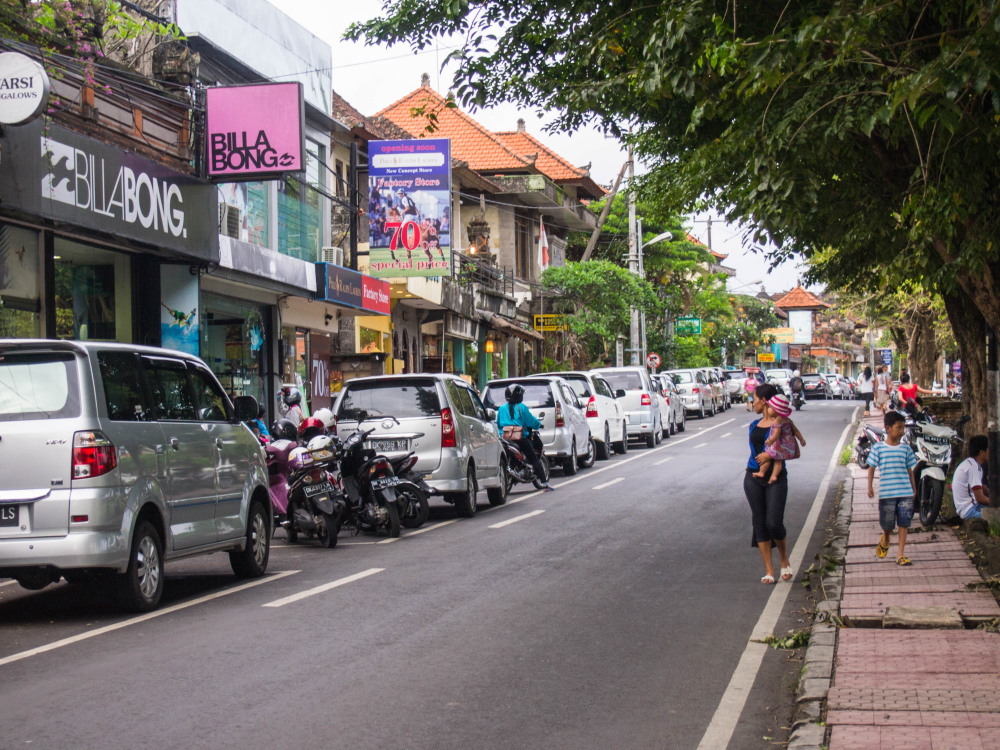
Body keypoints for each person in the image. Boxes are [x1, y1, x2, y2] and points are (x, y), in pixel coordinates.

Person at [744, 383, 793, 584]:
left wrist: (770, 458)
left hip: (775, 478)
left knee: (774, 522)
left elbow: (789, 447)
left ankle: (783, 559)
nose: (752, 402)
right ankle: (769, 570)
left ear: (764, 401)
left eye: (754, 398)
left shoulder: (781, 423)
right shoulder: (753, 425)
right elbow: (755, 449)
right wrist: (760, 460)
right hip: (753, 476)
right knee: (759, 522)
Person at [867, 410, 917, 565]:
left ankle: (900, 554)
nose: (902, 432)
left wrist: (913, 489)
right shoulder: (879, 448)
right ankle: (886, 537)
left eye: (903, 428)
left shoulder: (906, 449)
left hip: (905, 493)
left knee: (904, 523)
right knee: (888, 524)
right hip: (887, 493)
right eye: (899, 428)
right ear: (888, 428)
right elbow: (871, 468)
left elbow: (910, 470)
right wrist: (870, 487)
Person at [496, 384, 553, 492]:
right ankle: (544, 482)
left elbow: (498, 424)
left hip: (505, 437)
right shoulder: (522, 407)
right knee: (534, 459)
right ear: (518, 395)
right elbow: (531, 421)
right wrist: (539, 425)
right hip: (520, 438)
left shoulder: (502, 408)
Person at [752, 394, 806, 484]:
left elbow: (777, 433)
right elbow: (795, 431)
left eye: (770, 408)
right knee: (779, 460)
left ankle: (762, 472)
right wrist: (801, 439)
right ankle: (774, 476)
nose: (767, 410)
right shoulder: (788, 420)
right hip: (787, 444)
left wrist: (771, 440)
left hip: (778, 443)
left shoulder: (777, 421)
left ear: (776, 410)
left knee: (767, 456)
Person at [953, 435, 992, 521]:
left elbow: (983, 489)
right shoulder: (973, 467)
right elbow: (980, 498)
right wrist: (995, 503)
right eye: (989, 449)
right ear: (982, 452)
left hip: (971, 506)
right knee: (996, 518)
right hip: (970, 509)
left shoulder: (971, 464)